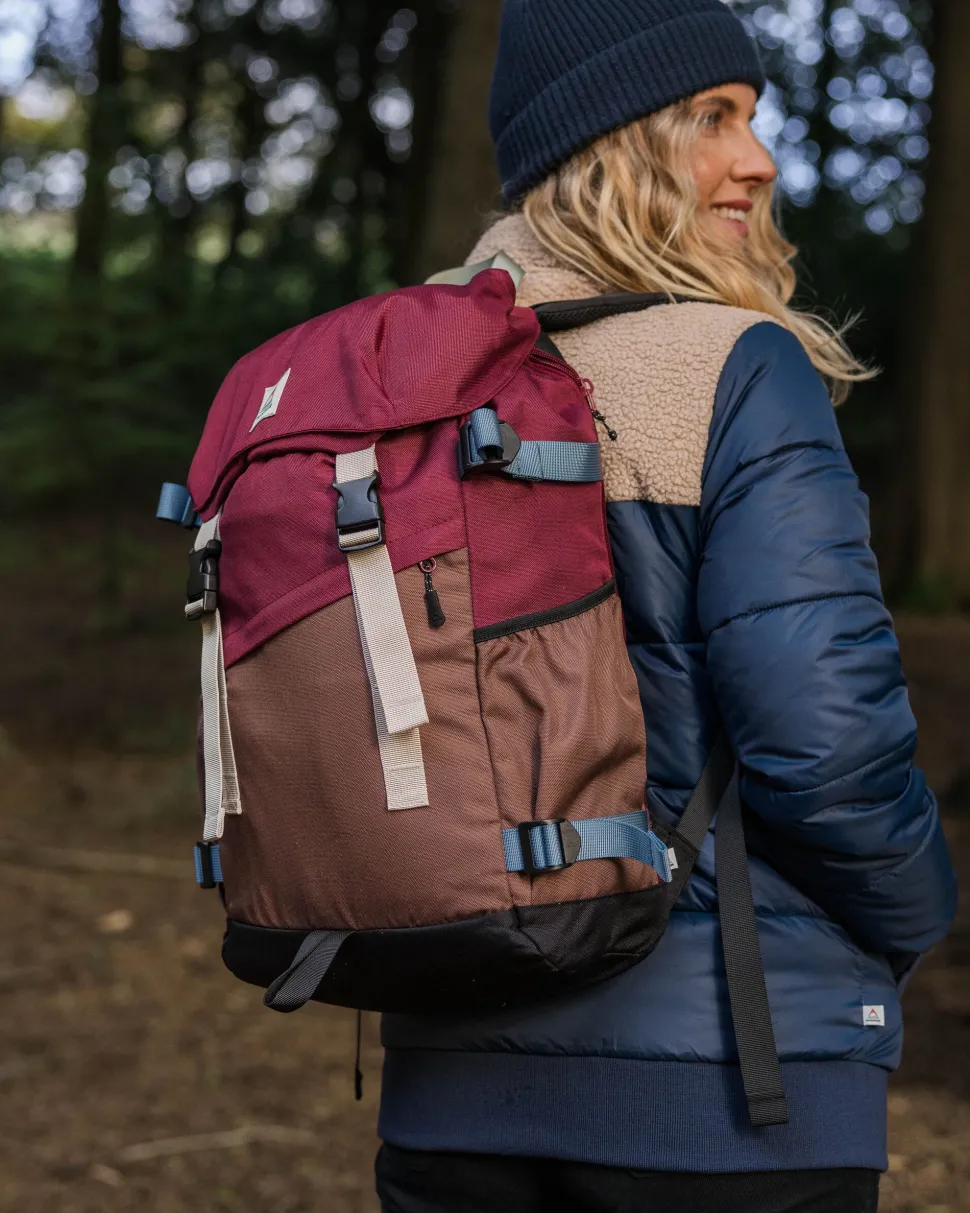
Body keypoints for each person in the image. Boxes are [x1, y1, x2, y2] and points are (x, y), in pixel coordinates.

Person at [375, 2, 958, 1210]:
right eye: (714, 118)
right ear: (613, 138)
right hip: (730, 1100)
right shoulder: (732, 365)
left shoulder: (392, 378)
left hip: (448, 1077)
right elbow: (827, 744)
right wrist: (913, 917)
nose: (759, 159)